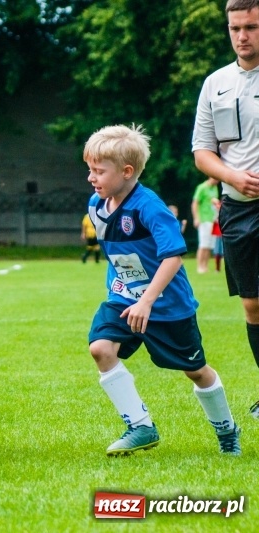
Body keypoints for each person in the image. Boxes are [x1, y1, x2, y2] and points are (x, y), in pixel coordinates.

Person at [85, 124, 240, 456]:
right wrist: (127, 290)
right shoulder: (96, 206)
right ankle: (140, 427)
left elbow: (173, 256)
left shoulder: (148, 206)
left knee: (195, 371)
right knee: (100, 349)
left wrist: (148, 300)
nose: (91, 178)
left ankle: (227, 430)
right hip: (124, 300)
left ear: (127, 172)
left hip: (166, 306)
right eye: (90, 170)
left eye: (99, 171)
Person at [192, 0, 259, 418]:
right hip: (238, 209)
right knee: (253, 305)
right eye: (235, 28)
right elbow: (202, 152)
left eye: (251, 26)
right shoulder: (216, 83)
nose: (242, 36)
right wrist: (233, 177)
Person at [190, 177, 219, 273]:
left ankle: (205, 266)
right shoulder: (202, 187)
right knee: (203, 244)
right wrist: (196, 218)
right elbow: (195, 203)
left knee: (209, 245)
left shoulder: (215, 188)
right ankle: (200, 266)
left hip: (213, 220)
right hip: (204, 219)